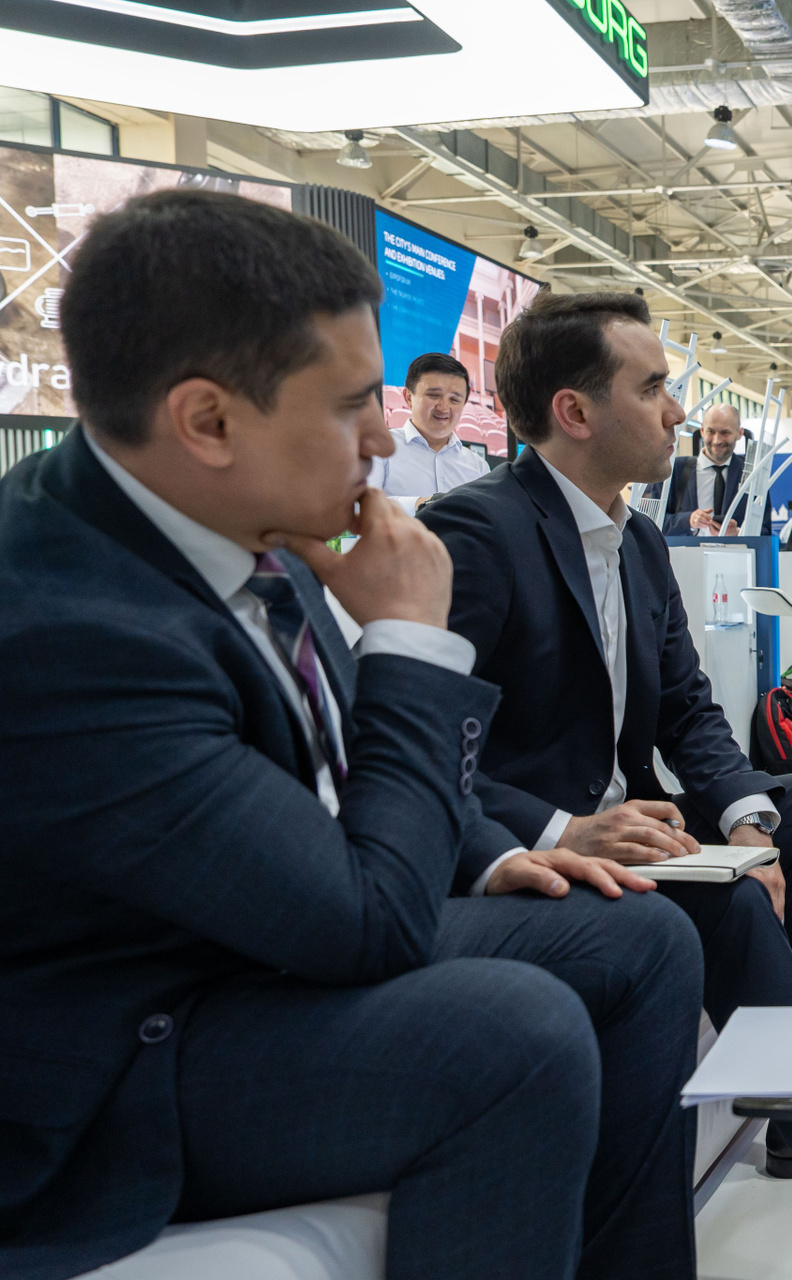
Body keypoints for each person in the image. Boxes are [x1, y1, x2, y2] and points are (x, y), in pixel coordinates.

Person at [0, 190, 704, 1280]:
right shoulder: (65, 626)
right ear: (207, 421)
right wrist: (410, 639)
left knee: (641, 935)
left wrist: (495, 853)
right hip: (127, 1049)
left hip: (246, 948)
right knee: (512, 1035)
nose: (387, 438)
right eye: (348, 407)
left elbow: (335, 767)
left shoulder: (246, 523)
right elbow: (371, 924)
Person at [417, 294, 792, 1198]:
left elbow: (688, 710)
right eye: (653, 387)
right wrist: (559, 830)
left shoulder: (639, 540)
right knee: (730, 904)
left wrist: (744, 819)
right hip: (541, 844)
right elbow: (422, 753)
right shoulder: (478, 532)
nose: (678, 411)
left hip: (633, 818)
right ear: (575, 412)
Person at [365, 351, 490, 509]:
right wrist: (422, 504)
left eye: (454, 399)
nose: (443, 408)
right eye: (434, 395)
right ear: (408, 397)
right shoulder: (379, 449)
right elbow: (363, 506)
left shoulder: (479, 467)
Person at [648, 402, 768, 535]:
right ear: (702, 431)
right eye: (711, 431)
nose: (717, 440)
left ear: (739, 433)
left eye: (725, 432)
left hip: (737, 549)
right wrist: (688, 520)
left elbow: (765, 530)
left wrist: (738, 533)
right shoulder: (673, 470)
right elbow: (652, 523)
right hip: (686, 549)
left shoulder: (753, 474)